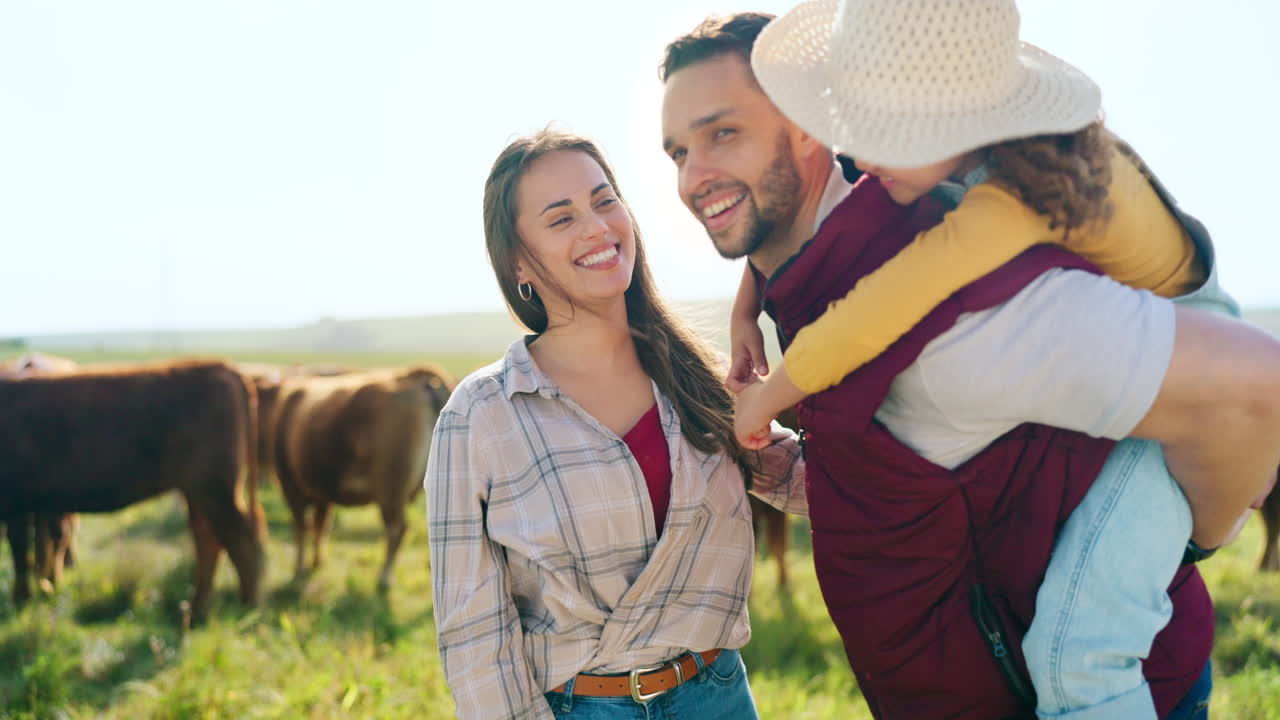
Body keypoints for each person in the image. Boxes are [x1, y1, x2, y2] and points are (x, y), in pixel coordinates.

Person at [659, 9, 1280, 720]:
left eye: (722, 133)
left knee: (1082, 662)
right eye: (677, 152)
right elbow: (946, 479)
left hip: (1115, 682)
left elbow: (1258, 384)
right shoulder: (903, 175)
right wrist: (753, 318)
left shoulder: (977, 278)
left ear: (806, 124)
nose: (692, 176)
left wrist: (1208, 524)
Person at [425, 129, 806, 720]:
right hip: (580, 709)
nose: (598, 227)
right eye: (561, 218)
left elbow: (817, 488)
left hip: (719, 697)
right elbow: (473, 634)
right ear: (518, 261)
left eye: (605, 201)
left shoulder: (695, 379)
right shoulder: (481, 416)